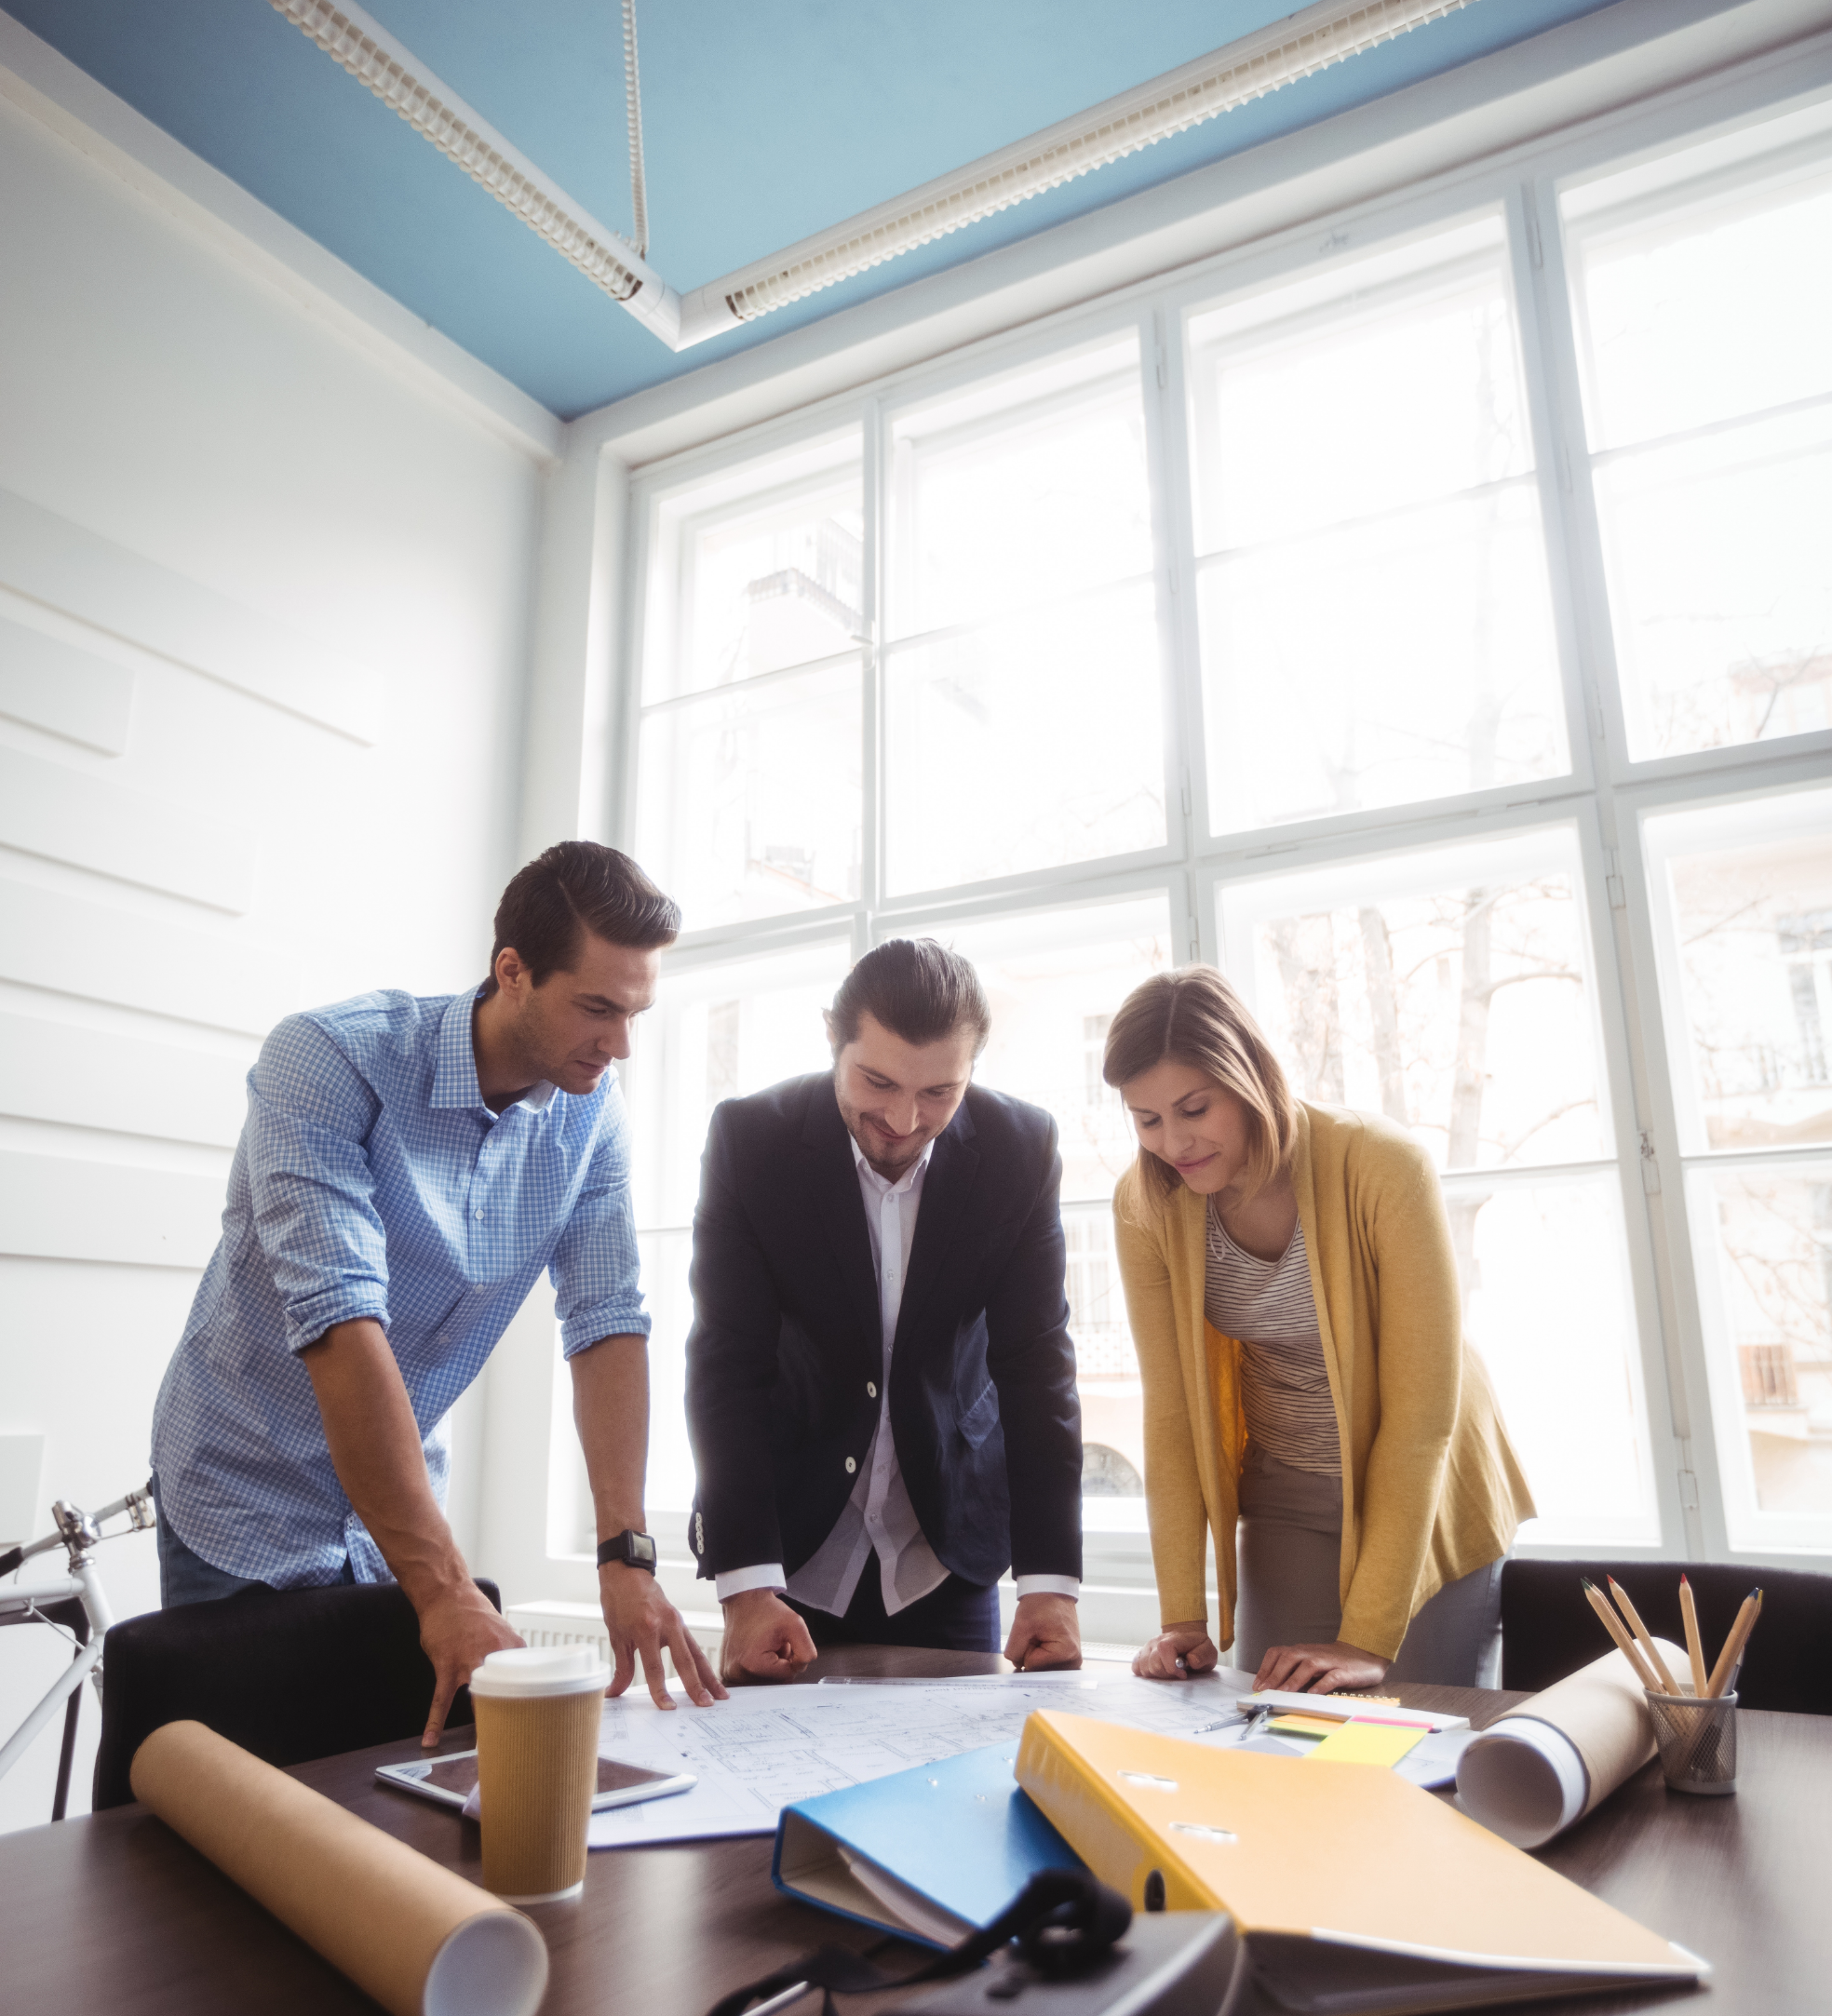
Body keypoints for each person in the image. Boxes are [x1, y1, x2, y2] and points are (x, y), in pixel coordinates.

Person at [149, 841, 725, 1740]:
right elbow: (341, 1320)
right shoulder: (328, 1061)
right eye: (597, 1009)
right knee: (229, 1821)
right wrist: (447, 1589)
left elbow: (607, 1322)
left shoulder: (591, 1119)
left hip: (397, 1521)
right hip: (241, 1505)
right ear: (513, 972)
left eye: (636, 1013)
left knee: (385, 1816)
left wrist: (625, 1556)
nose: (619, 1047)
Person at [1103, 965, 1534, 1694]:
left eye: (1193, 1108)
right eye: (1147, 1120)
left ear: (1248, 1079)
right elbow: (1172, 1412)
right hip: (1288, 1486)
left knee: (1413, 1735)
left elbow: (1421, 1418)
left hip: (1425, 1486)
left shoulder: (1381, 1164)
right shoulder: (1147, 1204)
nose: (1173, 1142)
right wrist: (1182, 1617)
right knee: (1272, 1730)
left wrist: (1365, 1639)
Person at [685, 938, 1084, 1679]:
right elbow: (726, 1367)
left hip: (946, 1550)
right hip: (790, 1558)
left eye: (939, 1092)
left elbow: (1037, 1369)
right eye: (878, 1081)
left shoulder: (1019, 1150)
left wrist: (1050, 1586)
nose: (904, 1118)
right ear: (832, 1039)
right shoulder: (751, 1140)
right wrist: (744, 1583)